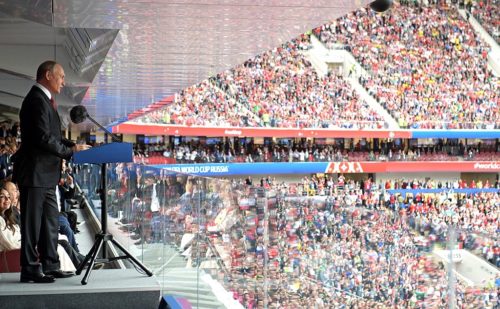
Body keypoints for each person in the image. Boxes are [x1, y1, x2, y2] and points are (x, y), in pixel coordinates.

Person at [11, 60, 90, 283]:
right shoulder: (36, 100)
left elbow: (52, 136)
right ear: (48, 75)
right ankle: (30, 268)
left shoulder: (45, 100)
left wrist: (72, 145)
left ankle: (51, 264)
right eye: (61, 76)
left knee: (50, 222)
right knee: (32, 223)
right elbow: (42, 138)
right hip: (35, 173)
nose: (64, 82)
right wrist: (69, 152)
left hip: (46, 174)